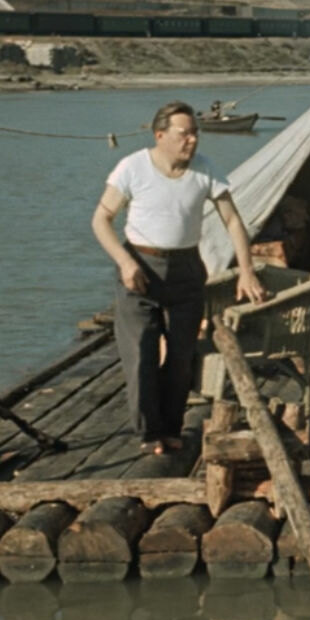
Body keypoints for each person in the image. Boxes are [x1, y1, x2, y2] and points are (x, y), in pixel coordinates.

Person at [92, 101, 265, 455]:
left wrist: (246, 271)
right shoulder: (133, 167)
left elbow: (232, 220)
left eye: (195, 133)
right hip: (140, 267)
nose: (192, 141)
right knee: (140, 353)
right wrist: (125, 262)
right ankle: (149, 432)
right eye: (184, 134)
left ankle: (172, 428)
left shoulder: (205, 170)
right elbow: (101, 220)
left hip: (186, 268)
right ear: (160, 136)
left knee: (182, 356)